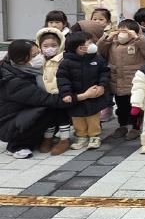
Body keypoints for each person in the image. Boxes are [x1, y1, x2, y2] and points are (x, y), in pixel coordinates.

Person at [0, 40, 98, 159]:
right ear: (21, 60)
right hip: (11, 125)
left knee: (55, 106)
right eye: (34, 55)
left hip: (24, 114)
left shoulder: (29, 70)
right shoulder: (14, 82)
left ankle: (47, 138)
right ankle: (17, 145)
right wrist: (84, 96)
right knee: (49, 109)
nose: (39, 57)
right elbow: (48, 99)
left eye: (39, 53)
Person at [57, 31, 112, 150]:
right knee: (77, 118)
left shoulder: (97, 59)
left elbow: (104, 72)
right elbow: (63, 79)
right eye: (89, 43)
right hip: (76, 96)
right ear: (80, 47)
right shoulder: (66, 63)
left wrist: (102, 85)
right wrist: (66, 93)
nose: (92, 45)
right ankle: (81, 136)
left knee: (93, 116)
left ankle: (94, 136)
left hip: (94, 96)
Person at [97, 19, 145, 141]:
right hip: (117, 81)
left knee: (135, 107)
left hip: (134, 82)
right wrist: (108, 38)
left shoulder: (137, 42)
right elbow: (100, 51)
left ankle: (135, 128)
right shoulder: (113, 43)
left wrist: (137, 38)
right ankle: (122, 126)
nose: (122, 34)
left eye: (126, 31)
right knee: (121, 107)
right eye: (120, 30)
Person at [35, 27, 70, 155]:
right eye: (45, 46)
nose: (49, 48)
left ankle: (64, 139)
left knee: (62, 116)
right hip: (45, 95)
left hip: (60, 94)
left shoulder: (64, 59)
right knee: (48, 117)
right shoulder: (38, 60)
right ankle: (48, 138)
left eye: (53, 45)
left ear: (60, 45)